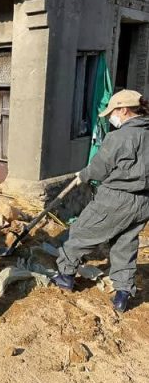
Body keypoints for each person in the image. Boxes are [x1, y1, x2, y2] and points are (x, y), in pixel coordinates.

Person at [52, 89, 149, 313]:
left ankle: (65, 275)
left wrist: (83, 175)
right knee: (125, 244)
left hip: (116, 198)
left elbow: (99, 168)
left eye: (112, 112)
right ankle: (123, 294)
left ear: (123, 109)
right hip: (143, 202)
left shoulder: (120, 137)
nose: (111, 117)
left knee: (81, 232)